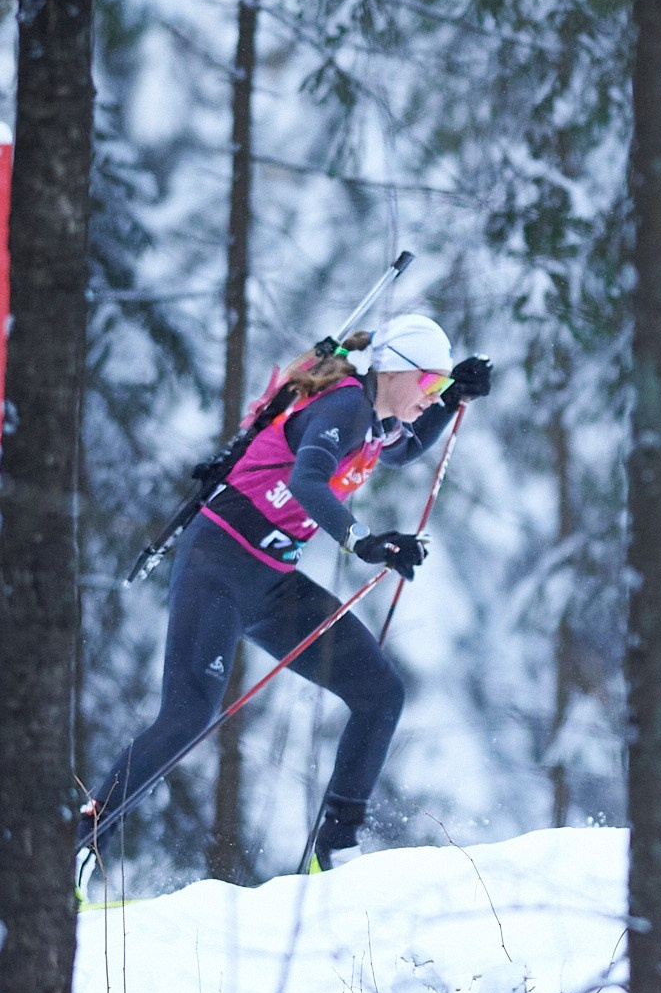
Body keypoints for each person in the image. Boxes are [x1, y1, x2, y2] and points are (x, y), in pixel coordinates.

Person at [76, 313, 492, 873]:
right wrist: (363, 541)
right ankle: (81, 841)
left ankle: (336, 848)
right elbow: (306, 481)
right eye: (429, 383)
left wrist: (451, 399)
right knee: (187, 714)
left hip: (271, 580)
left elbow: (399, 451)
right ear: (395, 370)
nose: (431, 395)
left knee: (379, 694)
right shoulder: (344, 406)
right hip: (218, 566)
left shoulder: (375, 421)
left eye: (439, 385)